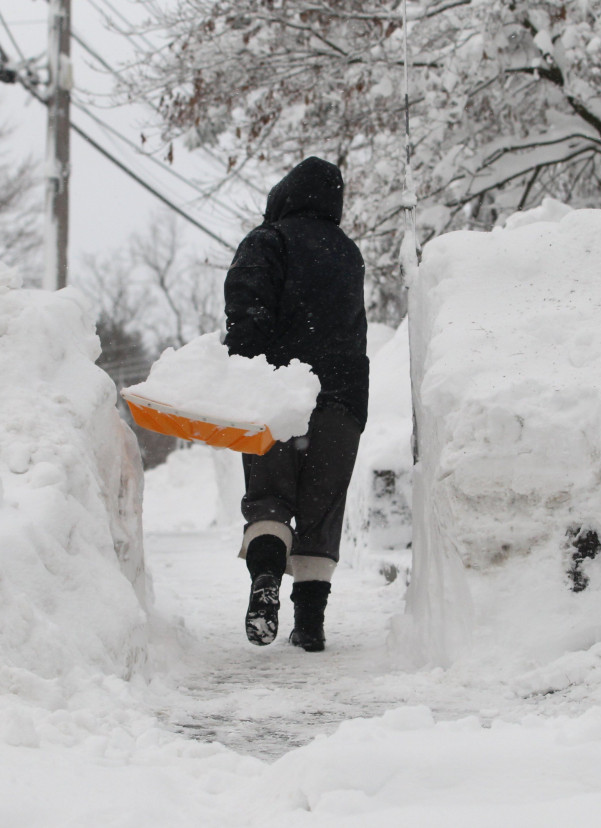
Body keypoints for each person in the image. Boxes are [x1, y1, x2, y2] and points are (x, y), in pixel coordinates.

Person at [223, 156, 368, 652]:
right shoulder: (349, 253)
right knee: (322, 506)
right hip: (342, 398)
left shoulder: (270, 240)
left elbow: (246, 306)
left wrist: (240, 368)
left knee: (270, 494)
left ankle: (265, 581)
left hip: (278, 390)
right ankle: (310, 622)